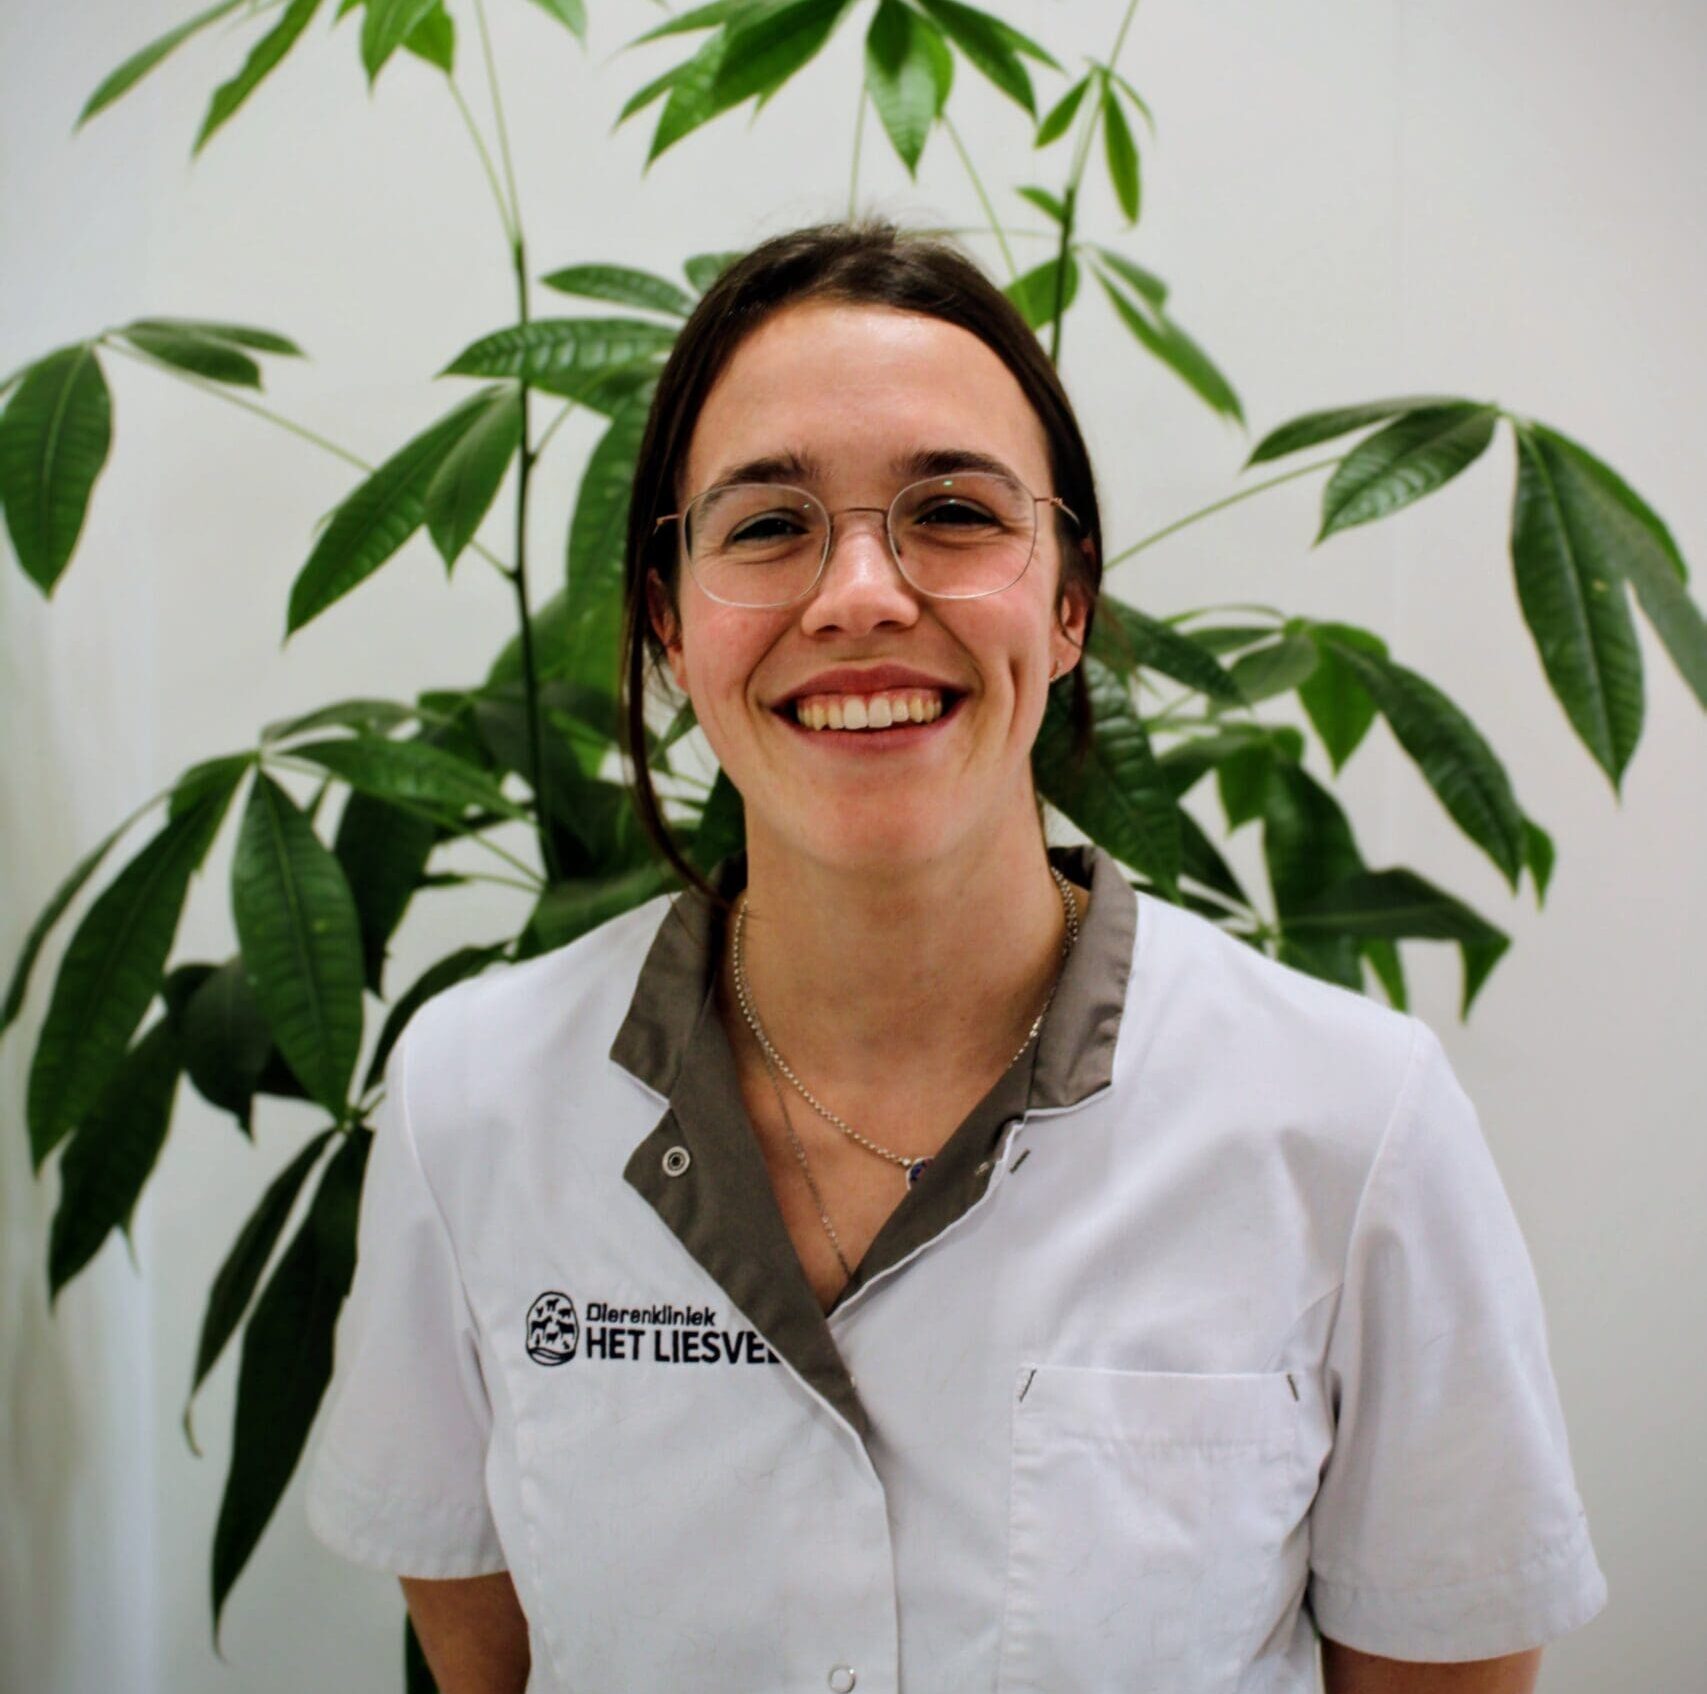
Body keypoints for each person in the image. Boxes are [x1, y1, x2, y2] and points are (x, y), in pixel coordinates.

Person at [304, 219, 1608, 1694]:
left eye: (954, 512)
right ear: (669, 624)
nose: (860, 593)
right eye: (767, 525)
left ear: (1068, 603)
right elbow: (490, 1659)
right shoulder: (471, 1100)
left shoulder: (1353, 1123)